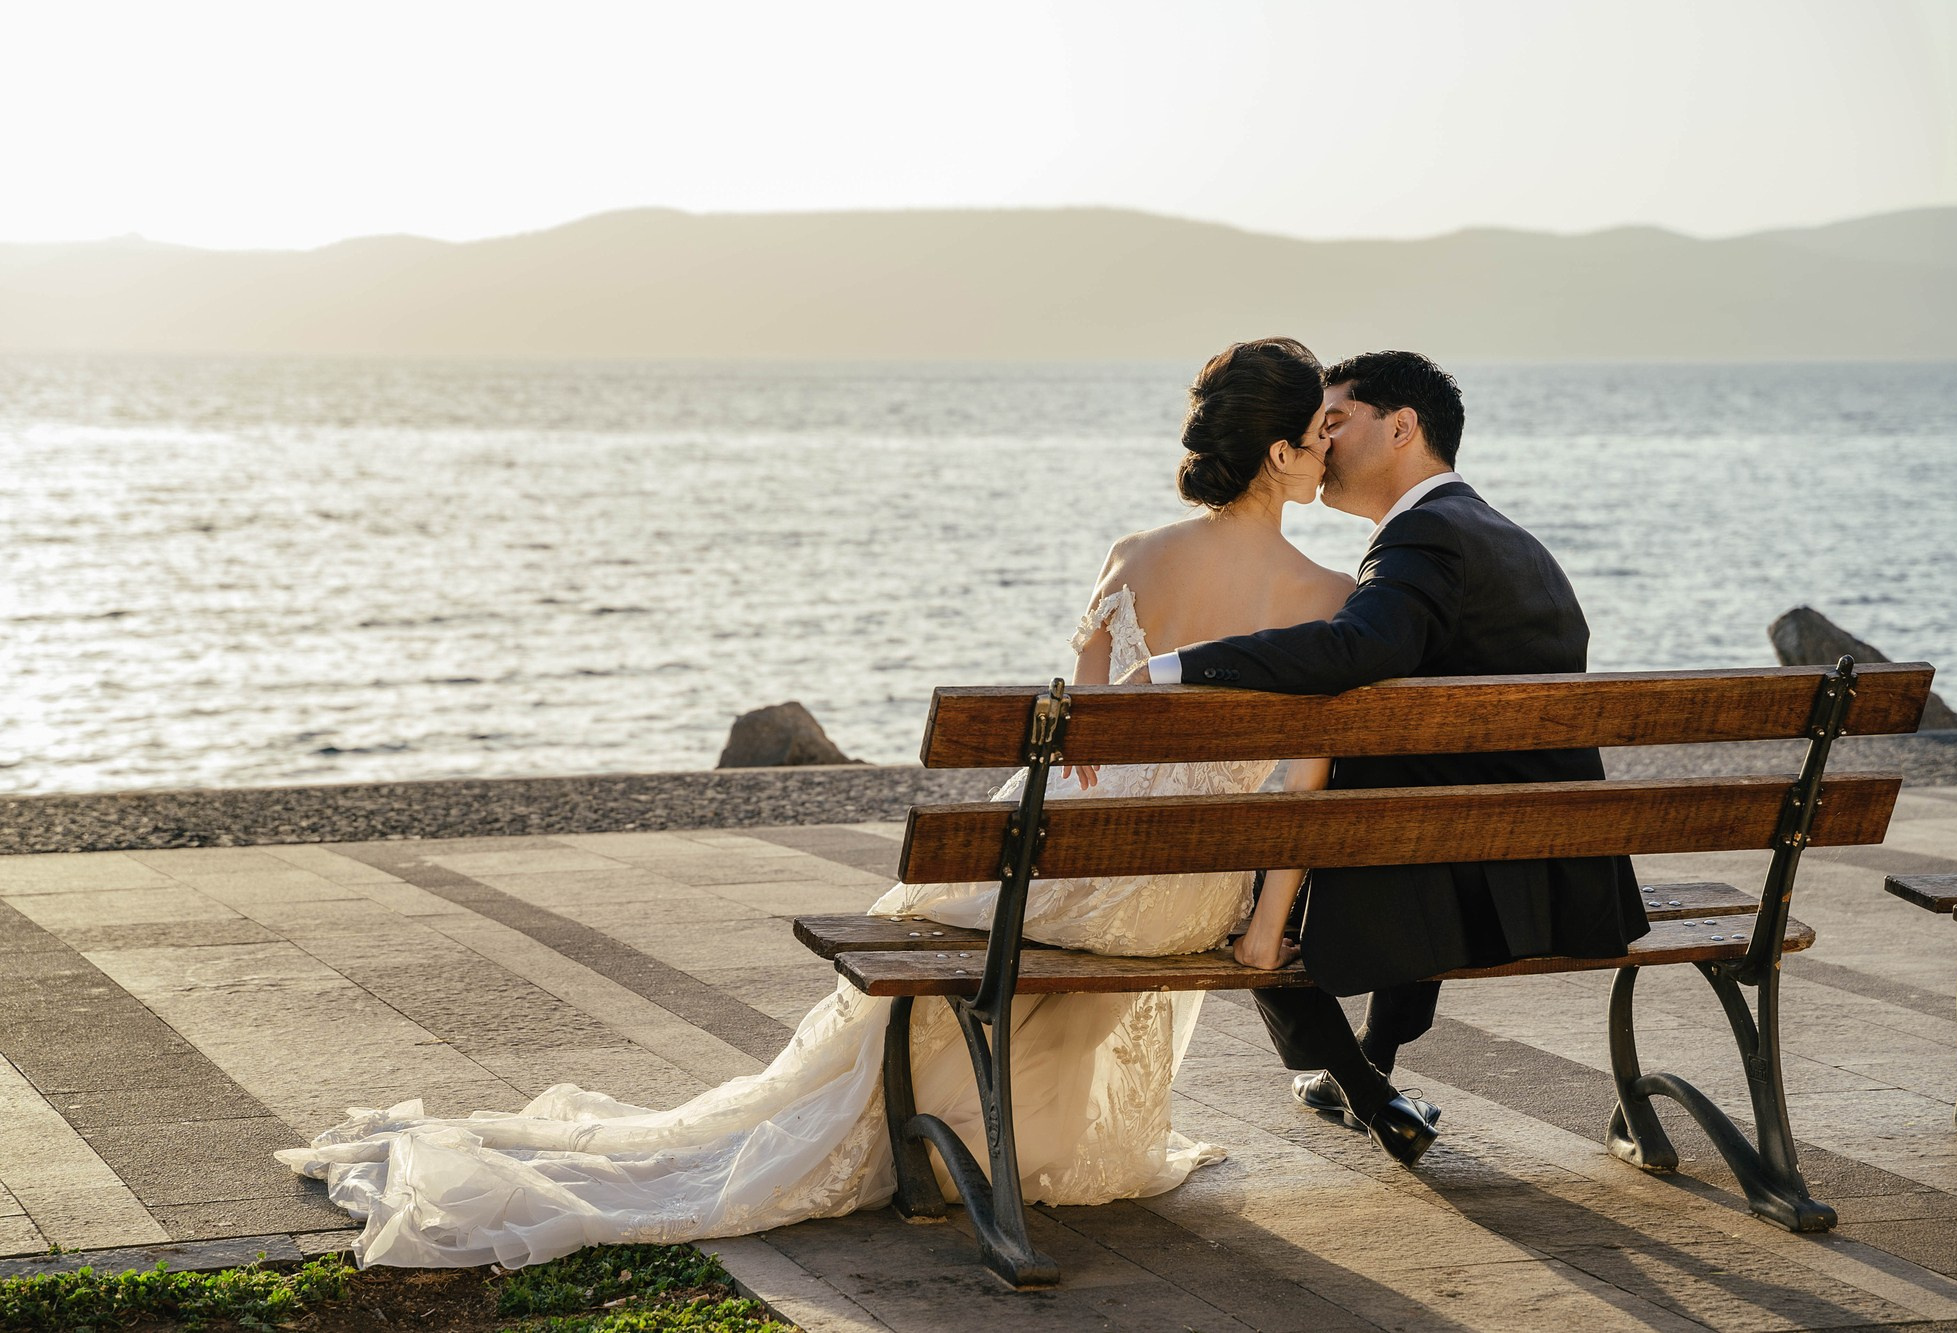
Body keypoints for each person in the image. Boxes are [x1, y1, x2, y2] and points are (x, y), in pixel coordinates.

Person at [276, 336, 1356, 1269]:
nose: (1328, 451)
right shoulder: (1329, 599)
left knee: (928, 917)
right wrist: (1260, 929)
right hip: (1185, 899)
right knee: (984, 920)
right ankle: (997, 1136)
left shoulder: (1137, 557)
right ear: (1274, 450)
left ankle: (910, 1128)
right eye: (1316, 434)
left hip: (1076, 875)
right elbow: (1299, 786)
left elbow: (1070, 748)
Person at [1124, 350, 1648, 1168]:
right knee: (1380, 818)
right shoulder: (1507, 539)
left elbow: (1361, 644)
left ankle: (1362, 1083)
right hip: (1559, 878)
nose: (1322, 442)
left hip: (1463, 877)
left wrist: (1182, 664)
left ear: (1402, 427)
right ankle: (1373, 1070)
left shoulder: (1423, 538)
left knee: (1252, 902)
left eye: (1336, 420)